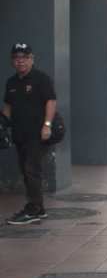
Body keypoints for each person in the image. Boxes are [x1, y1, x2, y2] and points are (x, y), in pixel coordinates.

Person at [3, 43, 57, 225]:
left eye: (24, 57)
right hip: (20, 134)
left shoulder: (41, 78)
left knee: (32, 171)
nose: (21, 61)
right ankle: (39, 208)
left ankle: (32, 210)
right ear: (12, 61)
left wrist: (47, 125)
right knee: (26, 172)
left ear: (32, 59)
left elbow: (51, 101)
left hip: (37, 134)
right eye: (17, 58)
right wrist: (3, 125)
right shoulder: (11, 82)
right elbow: (8, 106)